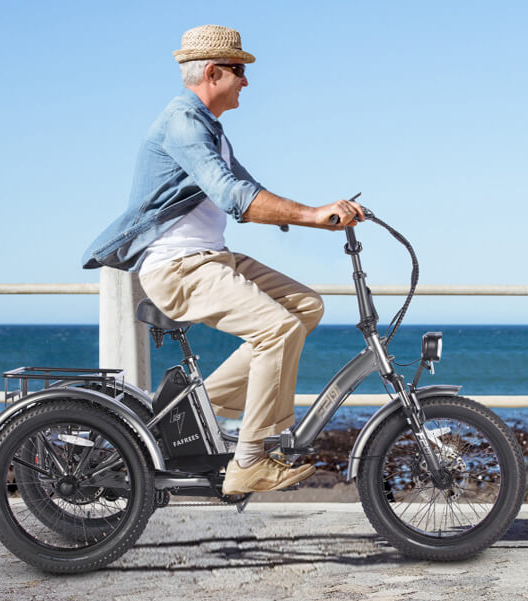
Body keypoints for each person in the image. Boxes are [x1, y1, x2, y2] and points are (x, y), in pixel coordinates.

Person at [82, 24, 364, 495]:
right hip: (180, 267)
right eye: (240, 71)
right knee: (277, 329)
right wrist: (314, 215)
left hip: (212, 258)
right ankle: (251, 459)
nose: (246, 82)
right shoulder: (183, 123)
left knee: (306, 307)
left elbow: (252, 193)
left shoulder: (211, 128)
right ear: (213, 72)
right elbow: (235, 195)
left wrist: (314, 214)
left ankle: (201, 407)